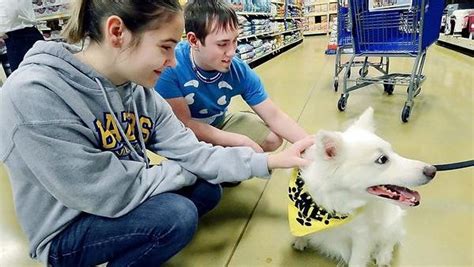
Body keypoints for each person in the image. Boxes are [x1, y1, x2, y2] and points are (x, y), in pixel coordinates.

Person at [0, 0, 313, 266]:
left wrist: (271, 161)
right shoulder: (35, 93)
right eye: (165, 46)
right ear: (117, 32)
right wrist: (185, 171)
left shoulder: (137, 91)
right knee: (176, 216)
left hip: (123, 193)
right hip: (66, 227)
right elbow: (104, 190)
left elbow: (192, 150)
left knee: (207, 189)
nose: (173, 60)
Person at [155, 0, 308, 154]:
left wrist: (311, 146)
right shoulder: (171, 66)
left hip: (219, 123)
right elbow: (184, 124)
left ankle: (221, 155)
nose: (232, 52)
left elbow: (274, 116)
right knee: (193, 170)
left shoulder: (238, 70)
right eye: (222, 44)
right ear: (194, 40)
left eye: (235, 41)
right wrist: (240, 141)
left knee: (273, 139)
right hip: (185, 135)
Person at [0, 0, 44, 73]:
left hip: (18, 37)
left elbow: (11, 11)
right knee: (42, 70)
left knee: (23, 75)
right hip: (28, 32)